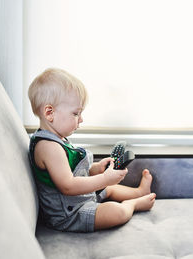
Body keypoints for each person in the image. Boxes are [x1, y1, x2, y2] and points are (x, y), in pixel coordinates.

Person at [28, 68, 156, 232]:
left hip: (78, 200)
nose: (81, 119)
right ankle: (132, 204)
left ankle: (139, 191)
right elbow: (68, 185)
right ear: (49, 113)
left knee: (108, 190)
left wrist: (95, 169)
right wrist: (104, 178)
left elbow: (70, 172)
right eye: (76, 113)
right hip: (70, 215)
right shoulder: (48, 147)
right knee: (116, 212)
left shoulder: (57, 140)